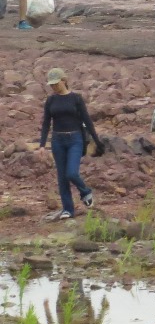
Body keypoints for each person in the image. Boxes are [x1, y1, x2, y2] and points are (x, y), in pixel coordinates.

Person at [38, 68, 101, 221]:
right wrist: (42, 145)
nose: (54, 87)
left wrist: (97, 141)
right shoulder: (51, 100)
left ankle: (85, 192)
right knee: (62, 177)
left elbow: (87, 120)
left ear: (64, 80)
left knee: (71, 172)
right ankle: (68, 209)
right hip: (57, 141)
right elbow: (46, 123)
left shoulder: (76, 98)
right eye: (51, 85)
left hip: (75, 139)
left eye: (56, 83)